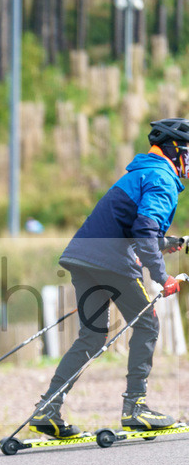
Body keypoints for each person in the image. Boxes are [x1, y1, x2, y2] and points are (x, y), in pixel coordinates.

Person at [29, 118, 189, 438]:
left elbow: (136, 228)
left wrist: (167, 244)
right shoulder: (162, 178)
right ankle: (136, 407)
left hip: (83, 257)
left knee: (91, 336)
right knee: (147, 323)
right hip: (111, 263)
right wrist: (162, 276)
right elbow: (144, 230)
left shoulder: (142, 173)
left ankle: (48, 408)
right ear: (175, 151)